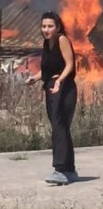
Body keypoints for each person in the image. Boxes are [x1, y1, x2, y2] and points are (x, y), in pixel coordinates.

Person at [26, 11, 78, 185]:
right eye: (43, 26)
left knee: (59, 125)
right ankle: (69, 170)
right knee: (60, 126)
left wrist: (59, 82)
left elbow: (70, 65)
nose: (46, 29)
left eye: (50, 26)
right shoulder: (47, 43)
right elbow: (48, 68)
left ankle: (60, 169)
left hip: (64, 87)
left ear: (58, 27)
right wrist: (35, 77)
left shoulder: (62, 40)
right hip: (52, 85)